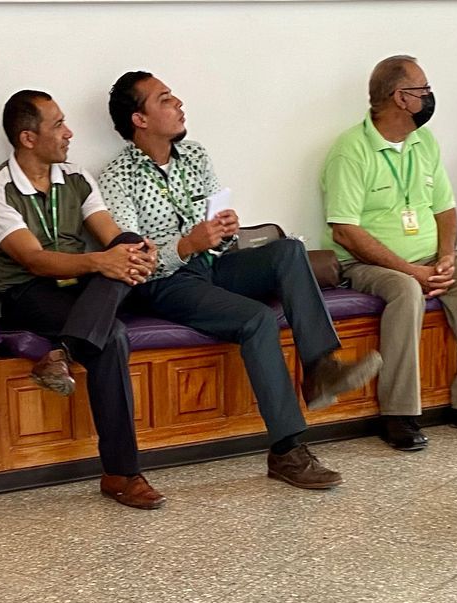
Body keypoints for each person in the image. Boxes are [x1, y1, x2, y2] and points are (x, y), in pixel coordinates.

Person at [97, 71, 380, 490]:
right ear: (139, 119)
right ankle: (287, 450)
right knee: (257, 319)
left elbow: (214, 222)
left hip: (212, 265)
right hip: (164, 283)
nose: (178, 104)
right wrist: (188, 244)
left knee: (288, 251)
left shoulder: (194, 155)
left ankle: (320, 366)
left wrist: (225, 228)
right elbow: (134, 261)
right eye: (164, 99)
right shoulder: (117, 177)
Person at [0, 90, 165, 509]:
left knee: (130, 241)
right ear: (28, 138)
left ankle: (64, 349)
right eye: (58, 124)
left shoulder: (77, 177)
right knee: (111, 337)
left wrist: (137, 252)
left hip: (82, 291)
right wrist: (104, 261)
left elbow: (111, 234)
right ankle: (122, 473)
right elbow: (36, 261)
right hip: (30, 293)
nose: (69, 132)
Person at [321, 55, 457, 450]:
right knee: (406, 290)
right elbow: (345, 230)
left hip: (431, 258)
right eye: (424, 90)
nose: (430, 97)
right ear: (401, 97)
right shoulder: (351, 150)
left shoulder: (424, 141)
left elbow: (445, 210)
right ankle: (399, 414)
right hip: (368, 263)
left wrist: (446, 256)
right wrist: (411, 271)